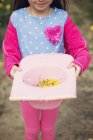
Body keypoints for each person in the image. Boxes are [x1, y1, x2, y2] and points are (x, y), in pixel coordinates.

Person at [2, 0, 91, 140]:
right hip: (27, 87)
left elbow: (79, 48)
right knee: (31, 130)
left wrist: (78, 63)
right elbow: (10, 50)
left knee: (48, 129)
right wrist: (12, 65)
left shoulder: (62, 17)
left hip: (54, 88)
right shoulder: (17, 18)